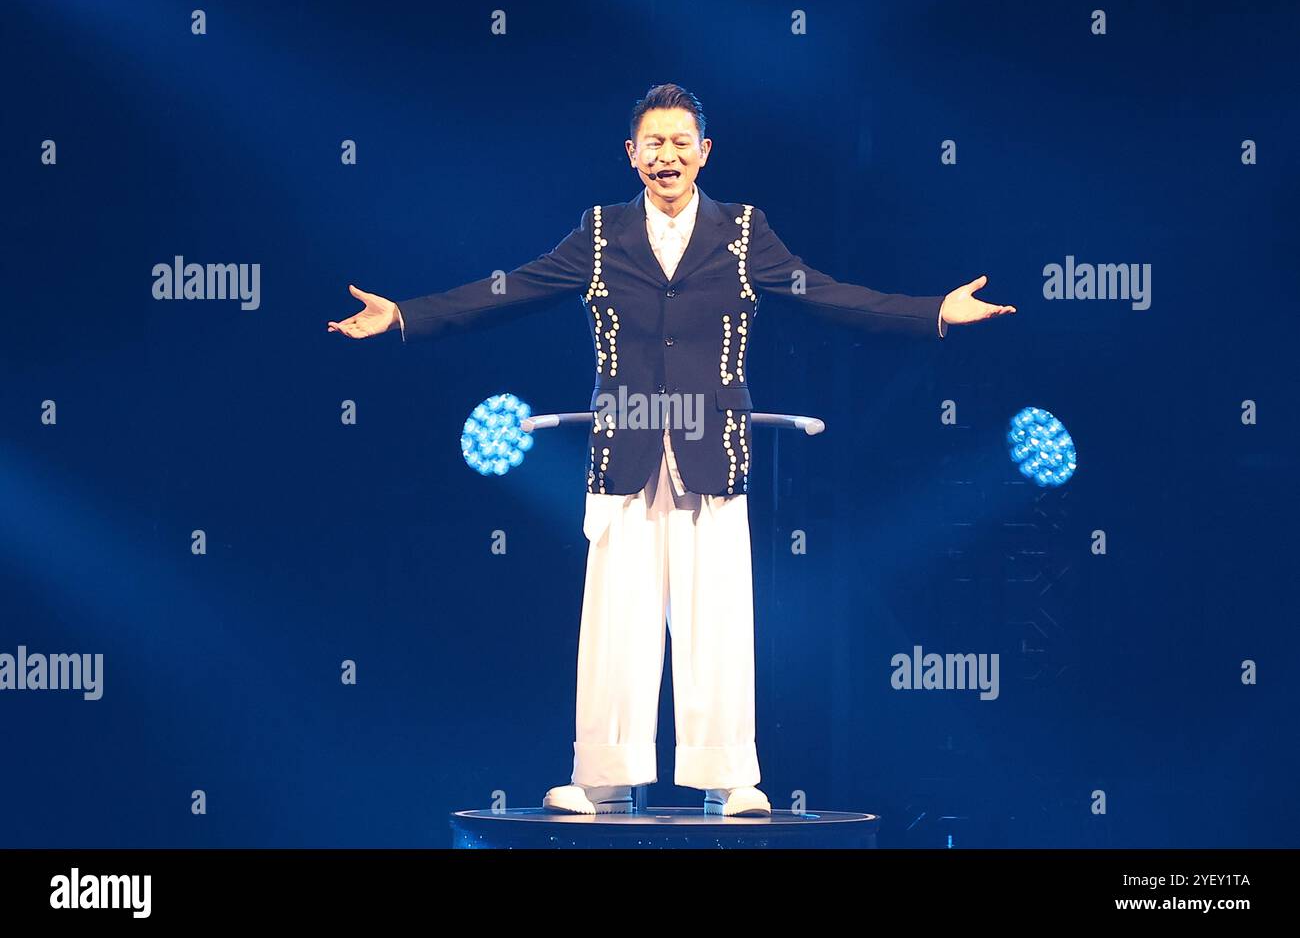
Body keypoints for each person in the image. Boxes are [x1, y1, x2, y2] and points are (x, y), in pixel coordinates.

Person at [328, 84, 1015, 816]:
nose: (667, 156)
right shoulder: (598, 234)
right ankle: (601, 776)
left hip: (710, 453)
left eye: (681, 143)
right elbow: (510, 292)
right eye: (653, 144)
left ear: (704, 152)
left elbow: (826, 294)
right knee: (615, 621)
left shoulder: (744, 232)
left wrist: (932, 311)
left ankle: (730, 777)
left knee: (716, 617)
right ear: (631, 155)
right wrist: (406, 315)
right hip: (621, 453)